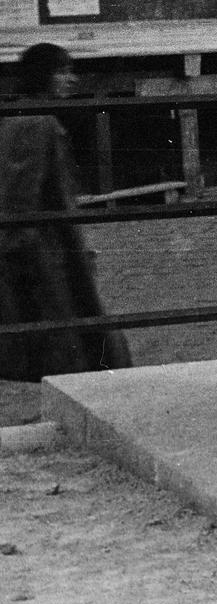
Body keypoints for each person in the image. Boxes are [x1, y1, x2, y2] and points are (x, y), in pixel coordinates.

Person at [0, 43, 130, 381]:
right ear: (42, 76)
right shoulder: (37, 124)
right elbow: (21, 198)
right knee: (75, 345)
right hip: (46, 256)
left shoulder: (20, 118)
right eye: (61, 71)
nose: (70, 79)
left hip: (49, 248)